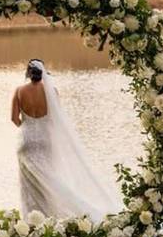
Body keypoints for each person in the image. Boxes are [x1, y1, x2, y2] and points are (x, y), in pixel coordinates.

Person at [11, 59, 124, 223]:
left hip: (26, 140)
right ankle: (50, 216)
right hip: (45, 139)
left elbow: (14, 119)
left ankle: (31, 220)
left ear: (28, 73)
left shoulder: (19, 91)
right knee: (49, 177)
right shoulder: (52, 92)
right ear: (43, 73)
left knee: (29, 182)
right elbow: (56, 119)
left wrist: (27, 127)